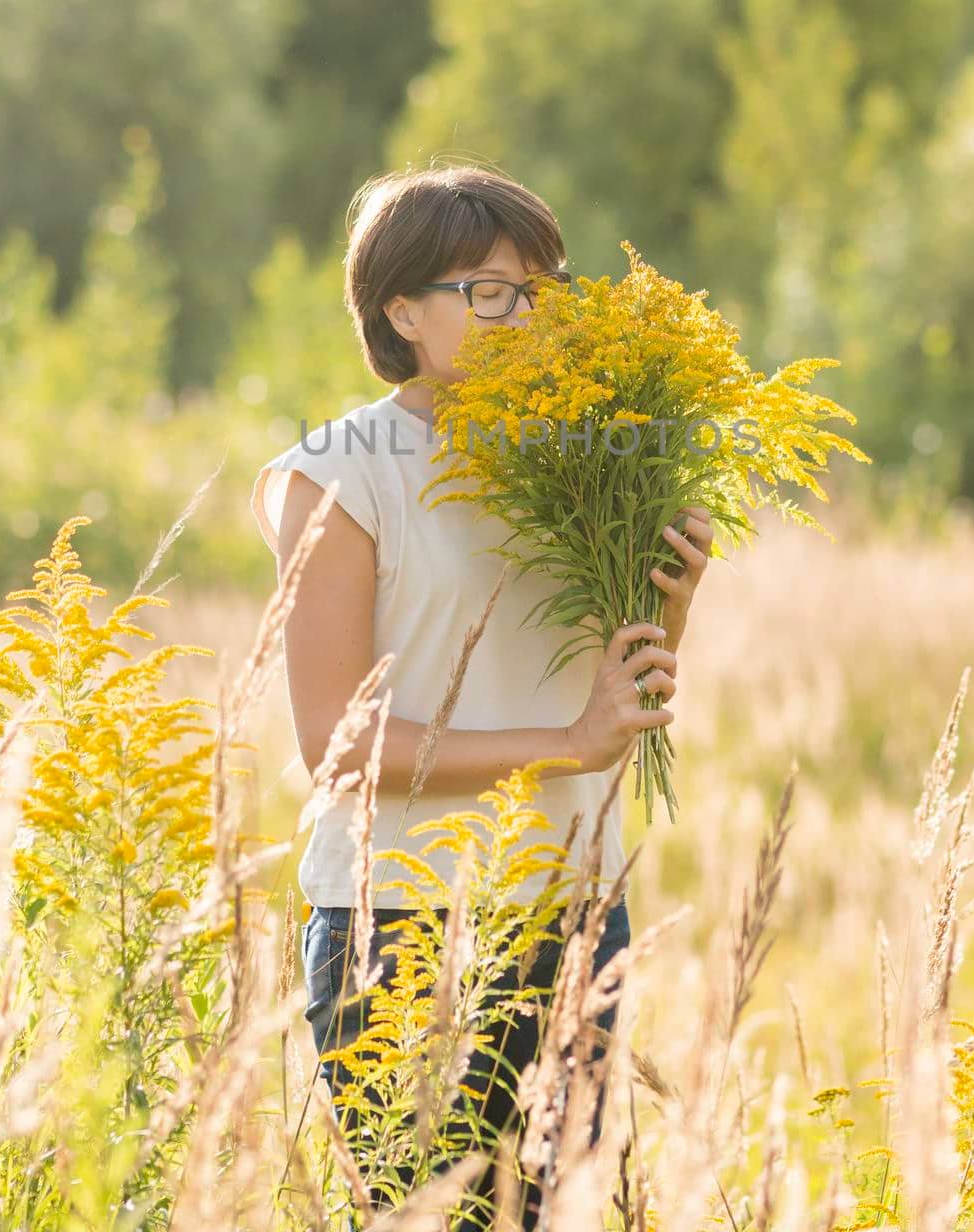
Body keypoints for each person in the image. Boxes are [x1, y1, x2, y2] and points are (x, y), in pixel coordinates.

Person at [250, 163, 713, 1228]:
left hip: (576, 902)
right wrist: (567, 742)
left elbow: (618, 685)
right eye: (490, 292)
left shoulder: (593, 454)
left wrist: (671, 603)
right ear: (401, 309)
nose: (526, 317)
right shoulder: (339, 472)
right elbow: (336, 740)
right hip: (403, 921)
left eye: (542, 291)